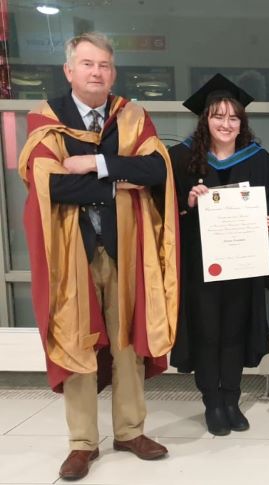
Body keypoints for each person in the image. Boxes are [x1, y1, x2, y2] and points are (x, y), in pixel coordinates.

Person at [17, 32, 178, 480]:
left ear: (113, 71)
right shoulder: (47, 119)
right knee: (76, 338)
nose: (96, 72)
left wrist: (96, 164)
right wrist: (119, 182)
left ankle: (129, 430)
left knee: (126, 340)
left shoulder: (131, 116)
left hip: (125, 248)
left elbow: (155, 169)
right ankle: (82, 442)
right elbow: (50, 184)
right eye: (87, 64)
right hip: (72, 251)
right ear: (69, 71)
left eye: (104, 65)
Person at [168, 74, 269, 436]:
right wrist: (185, 203)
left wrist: (268, 223)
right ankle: (212, 402)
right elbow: (163, 214)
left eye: (233, 118)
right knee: (207, 333)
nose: (226, 124)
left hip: (242, 265)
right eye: (218, 116)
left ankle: (231, 397)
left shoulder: (259, 160)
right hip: (200, 266)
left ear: (242, 122)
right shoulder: (182, 158)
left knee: (234, 330)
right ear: (205, 120)